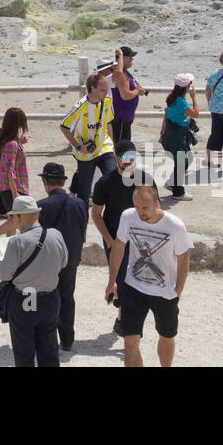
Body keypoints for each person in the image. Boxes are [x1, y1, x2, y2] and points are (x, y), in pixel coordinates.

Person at [106, 185, 191, 367]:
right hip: (134, 287)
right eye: (136, 207)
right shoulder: (128, 217)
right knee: (129, 341)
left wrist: (178, 290)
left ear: (157, 204)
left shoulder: (175, 226)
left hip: (165, 292)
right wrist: (111, 280)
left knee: (166, 336)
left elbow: (184, 259)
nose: (140, 212)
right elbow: (119, 247)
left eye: (144, 208)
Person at [0, 195, 70, 367]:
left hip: (25, 299)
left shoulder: (17, 242)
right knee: (49, 348)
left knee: (24, 350)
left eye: (14, 217)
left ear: (19, 216)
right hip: (50, 298)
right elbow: (64, 263)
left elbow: (4, 274)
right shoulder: (56, 235)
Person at [91, 140, 160, 334]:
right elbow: (96, 214)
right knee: (121, 281)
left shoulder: (145, 180)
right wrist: (109, 239)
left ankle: (128, 322)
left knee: (139, 281)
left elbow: (157, 209)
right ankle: (124, 320)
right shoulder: (104, 183)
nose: (129, 162)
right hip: (115, 240)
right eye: (125, 158)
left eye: (132, 157)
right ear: (115, 157)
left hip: (142, 242)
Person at [36, 162, 88, 351]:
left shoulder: (40, 206)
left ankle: (45, 338)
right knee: (67, 296)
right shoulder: (80, 203)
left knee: (45, 298)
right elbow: (83, 230)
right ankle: (67, 340)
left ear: (46, 182)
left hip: (47, 260)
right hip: (71, 257)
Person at [59, 72, 117, 204]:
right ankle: (82, 222)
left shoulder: (107, 101)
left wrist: (113, 146)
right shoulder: (80, 106)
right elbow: (64, 126)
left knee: (114, 181)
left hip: (105, 147)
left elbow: (109, 124)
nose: (105, 93)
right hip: (85, 151)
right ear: (92, 88)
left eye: (107, 90)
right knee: (84, 192)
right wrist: (79, 147)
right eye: (102, 90)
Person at [162, 73, 198, 200]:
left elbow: (180, 116)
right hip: (175, 136)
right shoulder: (180, 101)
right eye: (190, 84)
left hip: (177, 135)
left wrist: (191, 123)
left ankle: (171, 183)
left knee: (186, 159)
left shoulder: (175, 98)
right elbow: (196, 113)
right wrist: (194, 98)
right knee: (183, 161)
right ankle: (178, 193)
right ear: (186, 86)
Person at [0, 107, 30, 218]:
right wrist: (15, 193)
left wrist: (20, 144)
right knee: (18, 219)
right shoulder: (11, 144)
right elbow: (10, 170)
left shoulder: (8, 140)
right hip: (14, 187)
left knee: (13, 220)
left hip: (8, 186)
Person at [109, 45, 147, 145]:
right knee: (121, 148)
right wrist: (137, 91)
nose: (132, 59)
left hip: (124, 117)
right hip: (121, 118)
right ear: (123, 58)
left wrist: (137, 89)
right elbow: (125, 95)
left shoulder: (124, 72)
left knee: (123, 146)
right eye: (130, 56)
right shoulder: (121, 74)